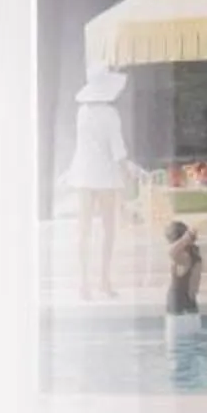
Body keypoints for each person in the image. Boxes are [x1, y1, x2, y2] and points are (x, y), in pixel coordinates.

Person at [61, 68, 136, 299]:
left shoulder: (82, 112)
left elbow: (84, 146)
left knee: (83, 230)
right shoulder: (110, 114)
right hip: (104, 175)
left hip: (83, 174)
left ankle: (84, 282)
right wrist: (129, 173)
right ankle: (104, 279)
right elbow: (117, 149)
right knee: (108, 230)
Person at [161, 219, 203, 345]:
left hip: (178, 315)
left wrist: (186, 238)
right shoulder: (196, 257)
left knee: (177, 356)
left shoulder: (183, 258)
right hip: (192, 312)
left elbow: (171, 252)